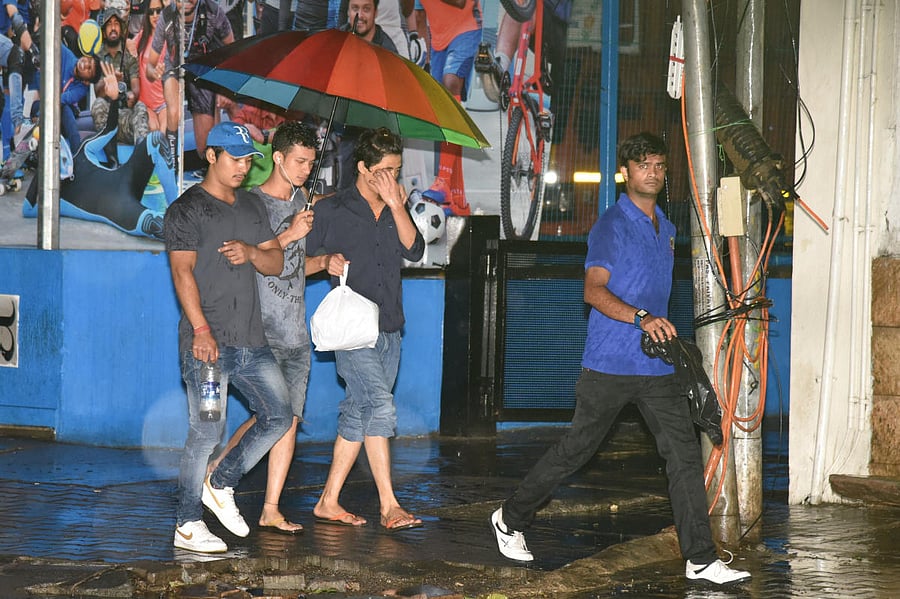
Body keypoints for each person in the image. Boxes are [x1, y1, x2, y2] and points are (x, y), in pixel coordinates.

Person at [489, 133, 752, 586]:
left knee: (683, 455)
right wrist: (642, 317)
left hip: (656, 366)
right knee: (576, 450)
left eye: (659, 165)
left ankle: (700, 558)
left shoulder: (665, 227)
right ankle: (509, 518)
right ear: (626, 173)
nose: (653, 171)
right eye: (644, 164)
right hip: (610, 363)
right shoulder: (612, 225)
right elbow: (593, 290)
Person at [164, 121, 294, 554]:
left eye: (248, 159)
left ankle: (220, 483)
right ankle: (186, 523)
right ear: (211, 156)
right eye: (235, 158)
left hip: (251, 342)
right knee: (205, 431)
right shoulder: (186, 210)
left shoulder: (252, 208)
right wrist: (200, 330)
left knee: (279, 415)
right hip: (207, 346)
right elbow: (181, 272)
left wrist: (253, 252)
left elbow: (275, 262)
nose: (243, 167)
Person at [306, 127, 426, 530]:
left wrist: (396, 205)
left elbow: (415, 250)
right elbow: (293, 264)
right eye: (385, 170)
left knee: (359, 413)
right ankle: (389, 505)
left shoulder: (396, 207)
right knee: (380, 406)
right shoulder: (331, 210)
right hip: (353, 331)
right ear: (362, 168)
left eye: (397, 169)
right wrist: (324, 263)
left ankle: (327, 500)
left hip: (390, 326)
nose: (393, 178)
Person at [206, 121, 322, 535]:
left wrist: (323, 262)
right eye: (299, 161)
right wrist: (291, 233)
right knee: (269, 416)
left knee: (286, 419)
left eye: (310, 162)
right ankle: (217, 473)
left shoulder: (303, 200)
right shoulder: (252, 205)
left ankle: (270, 507)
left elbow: (291, 273)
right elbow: (257, 261)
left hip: (295, 332)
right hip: (260, 331)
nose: (306, 170)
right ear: (278, 157)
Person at [23, 61, 177, 240]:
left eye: (55, 144)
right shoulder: (57, 195)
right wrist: (41, 169)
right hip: (118, 206)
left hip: (126, 177)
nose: (55, 151)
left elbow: (109, 130)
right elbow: (28, 209)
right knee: (157, 225)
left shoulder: (83, 151)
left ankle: (176, 207)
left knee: (156, 139)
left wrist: (113, 100)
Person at [146, 0, 234, 171]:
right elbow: (151, 65)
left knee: (205, 148)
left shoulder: (213, 11)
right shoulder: (167, 15)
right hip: (175, 68)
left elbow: (233, 50)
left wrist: (223, 87)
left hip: (203, 70)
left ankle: (211, 168)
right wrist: (154, 72)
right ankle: (171, 162)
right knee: (174, 111)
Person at [413, 0, 481, 216]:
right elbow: (418, 14)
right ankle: (457, 198)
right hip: (438, 41)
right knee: (445, 110)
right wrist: (427, 51)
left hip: (467, 29)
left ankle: (443, 180)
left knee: (451, 84)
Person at [91, 0, 151, 144]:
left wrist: (130, 95)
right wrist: (110, 84)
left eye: (116, 24)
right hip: (108, 116)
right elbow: (98, 92)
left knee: (141, 107)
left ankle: (140, 152)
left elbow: (136, 89)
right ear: (104, 30)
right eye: (109, 24)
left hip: (126, 114)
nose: (113, 28)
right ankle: (105, 148)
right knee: (98, 104)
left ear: (122, 28)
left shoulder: (129, 54)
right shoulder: (98, 56)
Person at [60, 46, 103, 153]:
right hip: (42, 106)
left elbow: (62, 100)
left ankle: (77, 153)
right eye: (88, 59)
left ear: (86, 82)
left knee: (64, 108)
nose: (85, 64)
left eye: (89, 69)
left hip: (62, 117)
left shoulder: (82, 88)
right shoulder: (66, 54)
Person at [134, 0, 166, 133]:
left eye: (159, 10)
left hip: (165, 102)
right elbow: (127, 47)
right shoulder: (141, 37)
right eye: (151, 12)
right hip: (145, 103)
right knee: (154, 130)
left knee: (165, 133)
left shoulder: (171, 38)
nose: (155, 15)